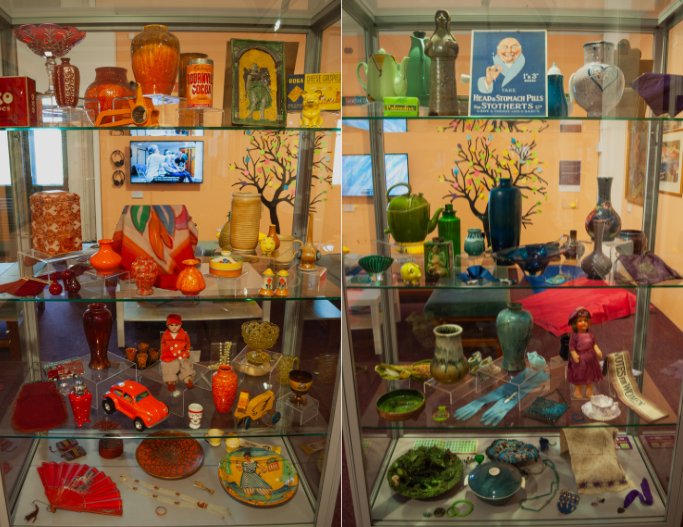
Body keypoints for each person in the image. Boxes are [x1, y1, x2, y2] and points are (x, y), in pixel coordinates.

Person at [566, 307, 604, 398]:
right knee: (579, 375)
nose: (583, 322)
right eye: (580, 321)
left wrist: (597, 350)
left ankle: (589, 391)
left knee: (590, 375)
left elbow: (594, 343)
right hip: (580, 358)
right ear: (574, 323)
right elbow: (571, 347)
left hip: (591, 358)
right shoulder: (574, 335)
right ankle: (577, 391)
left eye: (585, 320)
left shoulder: (589, 332)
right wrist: (574, 355)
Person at [160, 314, 195, 392]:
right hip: (170, 354)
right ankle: (171, 381)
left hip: (181, 353)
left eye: (176, 325)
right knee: (168, 366)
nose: (174, 327)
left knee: (185, 364)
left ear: (180, 325)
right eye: (171, 325)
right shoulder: (165, 335)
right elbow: (163, 344)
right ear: (168, 326)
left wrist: (187, 349)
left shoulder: (184, 334)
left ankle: (187, 379)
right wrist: (164, 352)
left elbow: (187, 342)